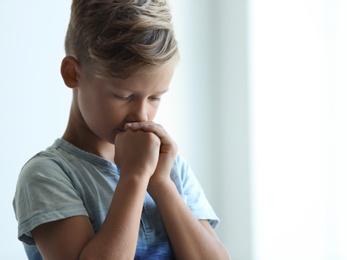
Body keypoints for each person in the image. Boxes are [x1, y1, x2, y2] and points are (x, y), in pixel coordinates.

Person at [13, 0, 230, 259]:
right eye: (123, 96)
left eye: (155, 98)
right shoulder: (48, 175)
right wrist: (135, 178)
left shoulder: (168, 167)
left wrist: (160, 182)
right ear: (72, 74)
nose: (141, 115)